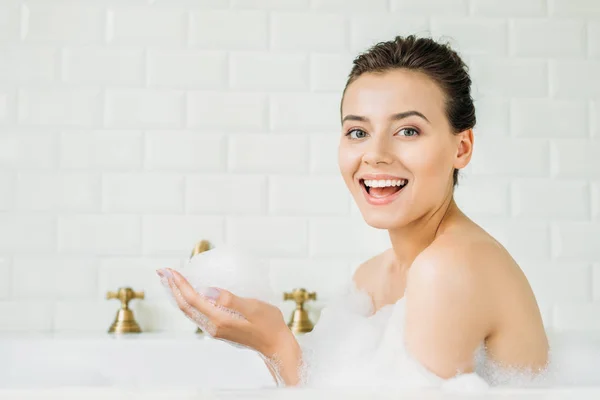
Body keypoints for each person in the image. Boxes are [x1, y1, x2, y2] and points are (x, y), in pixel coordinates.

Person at [157, 35, 549, 387]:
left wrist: (276, 343)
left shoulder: (448, 269)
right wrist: (271, 344)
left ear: (461, 148)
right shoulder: (374, 276)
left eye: (407, 131)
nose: (375, 155)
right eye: (357, 132)